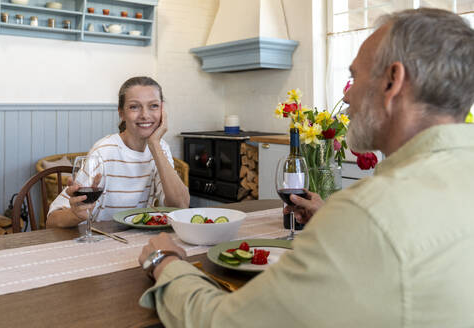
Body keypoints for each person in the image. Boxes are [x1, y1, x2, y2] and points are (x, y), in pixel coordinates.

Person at [137, 8, 474, 327]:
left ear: (392, 81)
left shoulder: (368, 212)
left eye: (354, 77)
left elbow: (222, 322)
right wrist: (332, 217)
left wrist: (166, 262)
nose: (348, 98)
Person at [47, 76, 190, 227]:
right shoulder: (103, 151)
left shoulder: (161, 148)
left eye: (153, 106)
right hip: (99, 238)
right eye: (134, 106)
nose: (145, 115)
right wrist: (74, 215)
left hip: (136, 238)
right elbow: (51, 221)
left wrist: (154, 144)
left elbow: (180, 206)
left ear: (162, 111)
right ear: (121, 113)